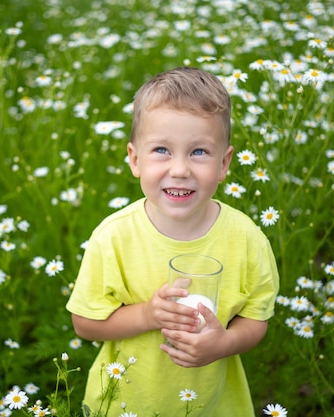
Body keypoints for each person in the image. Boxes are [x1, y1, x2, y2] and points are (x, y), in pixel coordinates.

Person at [66, 67, 280, 416]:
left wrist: (224, 343)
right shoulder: (114, 237)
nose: (180, 169)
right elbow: (85, 324)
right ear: (135, 160)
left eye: (198, 152)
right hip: (126, 403)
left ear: (225, 163)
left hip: (212, 405)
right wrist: (148, 315)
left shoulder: (246, 238)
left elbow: (257, 319)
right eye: (162, 150)